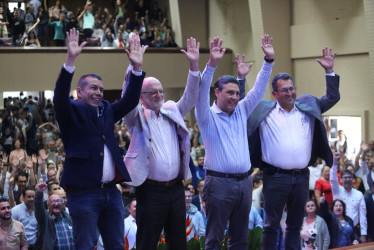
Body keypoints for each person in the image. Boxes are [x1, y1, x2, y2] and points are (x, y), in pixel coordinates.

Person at [53, 28, 146, 249]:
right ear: (79, 91)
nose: (99, 93)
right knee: (85, 244)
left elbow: (130, 100)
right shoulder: (71, 112)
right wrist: (70, 61)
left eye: (102, 89)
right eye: (93, 88)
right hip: (83, 194)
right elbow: (58, 97)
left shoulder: (107, 110)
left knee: (115, 244)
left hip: (111, 193)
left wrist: (137, 68)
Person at [247, 47, 340, 250]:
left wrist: (329, 72)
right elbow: (239, 105)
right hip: (275, 176)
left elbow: (332, 98)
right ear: (274, 93)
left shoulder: (308, 106)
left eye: (292, 88)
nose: (290, 93)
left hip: (301, 177)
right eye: (284, 90)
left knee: (294, 225)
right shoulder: (263, 110)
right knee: (271, 224)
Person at [195, 35, 274, 249]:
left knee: (240, 239)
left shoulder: (241, 110)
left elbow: (258, 90)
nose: (235, 97)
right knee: (213, 239)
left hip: (244, 183)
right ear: (217, 92)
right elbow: (200, 92)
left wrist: (268, 62)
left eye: (237, 93)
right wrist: (211, 65)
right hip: (219, 184)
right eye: (230, 92)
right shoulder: (206, 116)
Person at [121, 37, 200, 250]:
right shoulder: (135, 115)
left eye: (161, 91)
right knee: (147, 242)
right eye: (152, 92)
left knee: (178, 243)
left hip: (175, 188)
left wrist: (193, 67)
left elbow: (190, 98)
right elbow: (126, 97)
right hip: (150, 190)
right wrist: (135, 67)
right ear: (141, 96)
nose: (158, 95)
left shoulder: (171, 110)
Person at [330, 153, 367, 243]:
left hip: (354, 230)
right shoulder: (337, 191)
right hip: (338, 229)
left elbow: (362, 215)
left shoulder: (358, 194)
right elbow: (333, 179)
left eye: (349, 177)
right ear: (341, 180)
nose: (347, 179)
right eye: (345, 178)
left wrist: (363, 234)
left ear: (353, 179)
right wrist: (334, 162)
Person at [34, 182, 73, 249]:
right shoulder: (44, 218)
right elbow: (38, 206)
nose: (56, 204)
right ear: (48, 205)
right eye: (53, 201)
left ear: (63, 204)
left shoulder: (68, 217)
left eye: (58, 201)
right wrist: (39, 192)